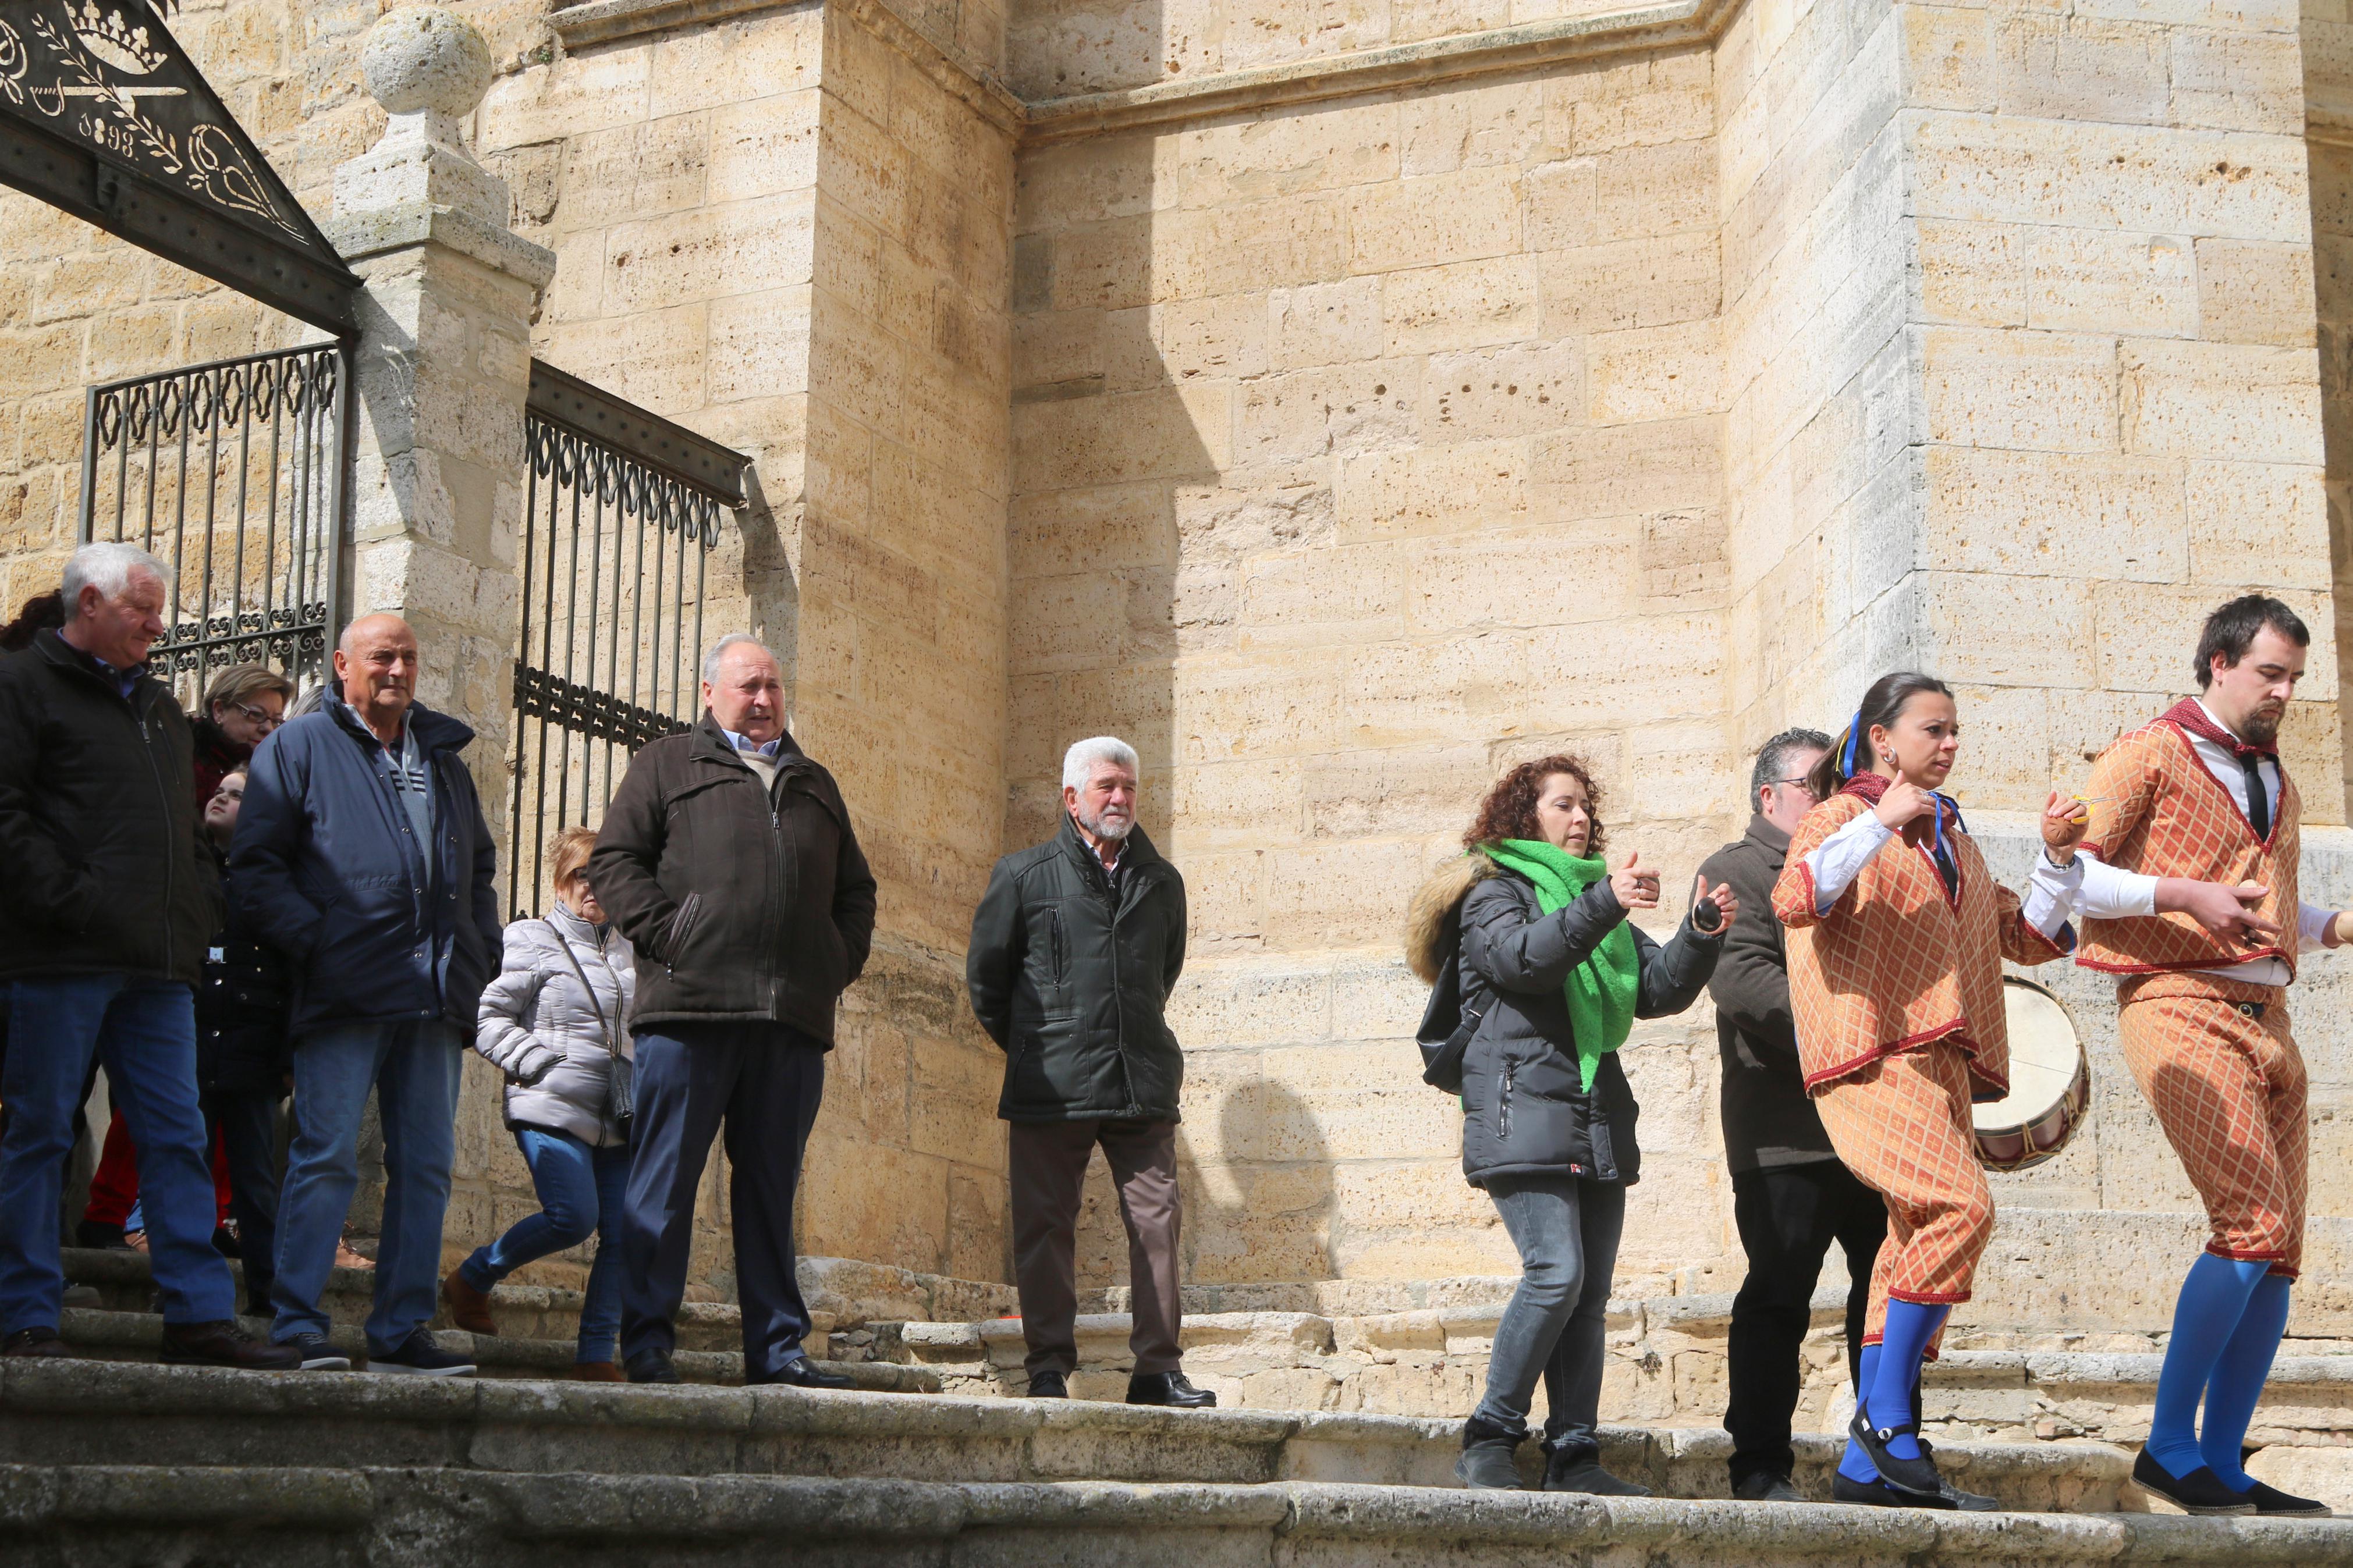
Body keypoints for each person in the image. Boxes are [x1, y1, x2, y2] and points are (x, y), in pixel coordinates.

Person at [1772, 672, 2084, 1510]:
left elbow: (2026, 933)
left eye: (1954, 731)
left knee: (1906, 1241)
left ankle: (1867, 1467)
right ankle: (1885, 1420)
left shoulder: (1952, 832)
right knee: (1959, 1209)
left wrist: (2055, 858)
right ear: (1881, 738)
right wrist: (1877, 821)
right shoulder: (1839, 815)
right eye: (1932, 729)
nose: (1949, 744)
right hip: (1867, 1054)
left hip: (1941, 1060)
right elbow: (1796, 894)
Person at [2063, 596, 2344, 1520]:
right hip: (2175, 996)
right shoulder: (2145, 751)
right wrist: (2187, 893)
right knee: (2251, 1220)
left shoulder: (2276, 777)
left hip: (2269, 1014)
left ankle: (2220, 1460)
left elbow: (2266, 904)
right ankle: (2166, 1443)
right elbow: (2070, 873)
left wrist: (2333, 924)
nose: (2284, 691)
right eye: (2270, 672)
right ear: (2218, 662)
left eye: (2294, 677)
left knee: (2279, 1251)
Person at [0, 542, 295, 1369]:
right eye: (141, 608)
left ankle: (199, 1315)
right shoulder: (20, 686)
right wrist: (75, 900)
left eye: (160, 609)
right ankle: (26, 1313)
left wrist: (197, 908)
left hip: (162, 966)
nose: (157, 625)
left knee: (176, 1134)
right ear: (86, 602)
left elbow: (187, 828)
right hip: (61, 957)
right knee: (38, 1132)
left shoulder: (164, 711)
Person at [1408, 755, 1731, 1494]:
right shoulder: (1490, 891)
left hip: (1592, 1114)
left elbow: (1654, 989)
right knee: (1554, 1274)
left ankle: (1574, 1453)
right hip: (1519, 1107)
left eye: (1586, 805)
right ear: (1525, 818)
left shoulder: (1592, 899)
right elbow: (1523, 961)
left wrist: (1699, 931)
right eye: (1562, 805)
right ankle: (1490, 1433)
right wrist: (1606, 903)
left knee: (1587, 1296)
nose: (1580, 817)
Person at [589, 633, 878, 1387]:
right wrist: (672, 937)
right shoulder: (666, 764)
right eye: (747, 685)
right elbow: (614, 862)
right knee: (662, 1188)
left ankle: (777, 1349)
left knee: (769, 1192)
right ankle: (647, 1343)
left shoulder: (815, 782)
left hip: (788, 1022)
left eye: (773, 686)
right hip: (689, 1013)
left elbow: (857, 892)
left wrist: (829, 963)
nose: (762, 698)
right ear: (709, 690)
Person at [234, 613, 502, 1375]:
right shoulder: (299, 745)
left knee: (424, 1163)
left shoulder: (443, 755)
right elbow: (256, 866)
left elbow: (477, 867)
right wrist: (318, 942)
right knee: (325, 1157)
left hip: (434, 994)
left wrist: (478, 955)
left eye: (410, 657)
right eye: (383, 656)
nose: (399, 669)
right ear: (343, 664)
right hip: (345, 989)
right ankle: (295, 1321)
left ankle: (400, 1330)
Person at [966, 737, 1208, 1408]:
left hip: (1142, 1082)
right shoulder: (1021, 875)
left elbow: (1163, 971)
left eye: (1128, 787)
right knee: (1044, 1228)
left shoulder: (1162, 881)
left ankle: (1157, 1369)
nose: (1121, 798)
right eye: (1106, 786)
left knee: (1158, 1222)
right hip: (1051, 1085)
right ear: (1071, 798)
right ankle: (1047, 1365)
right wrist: (1035, 1047)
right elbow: (986, 982)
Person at [1700, 728, 1890, 1503]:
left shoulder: (1868, 867)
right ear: (1768, 797)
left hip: (1874, 1124)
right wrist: (1858, 1038)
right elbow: (1742, 984)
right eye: (1817, 785)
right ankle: (1757, 1465)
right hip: (1785, 1127)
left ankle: (1883, 1455)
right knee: (1777, 1294)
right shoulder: (1734, 871)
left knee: (1885, 1297)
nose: (1833, 796)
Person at [446, 826, 636, 1381]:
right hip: (550, 1104)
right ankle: (476, 1275)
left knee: (627, 1234)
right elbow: (486, 1016)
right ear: (561, 882)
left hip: (620, 1113)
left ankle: (596, 1354)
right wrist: (540, 1066)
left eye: (606, 874)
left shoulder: (633, 951)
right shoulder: (530, 938)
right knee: (573, 1216)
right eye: (582, 874)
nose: (594, 885)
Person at [194, 768, 294, 1318]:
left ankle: (265, 1289)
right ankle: (185, 1282)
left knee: (255, 1179)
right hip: (192, 1043)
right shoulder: (190, 872)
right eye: (220, 791)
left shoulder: (270, 884)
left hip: (252, 1052)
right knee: (189, 1166)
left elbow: (288, 976)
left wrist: (284, 1057)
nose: (222, 798)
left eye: (237, 796)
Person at [190, 663, 294, 810]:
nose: (268, 728)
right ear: (219, 711)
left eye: (277, 721)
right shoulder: (185, 756)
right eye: (256, 715)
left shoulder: (279, 773)